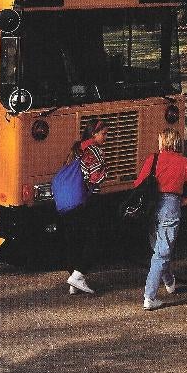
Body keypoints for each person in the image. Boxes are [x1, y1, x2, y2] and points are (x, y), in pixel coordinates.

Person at [135, 128, 187, 311]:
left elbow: (138, 184)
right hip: (171, 205)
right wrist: (186, 200)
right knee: (161, 253)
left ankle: (169, 281)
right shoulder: (185, 163)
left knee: (157, 249)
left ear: (163, 142)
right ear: (176, 143)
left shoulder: (153, 159)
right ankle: (149, 297)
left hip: (151, 206)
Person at [64, 118, 109, 295]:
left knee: (75, 239)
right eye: (104, 134)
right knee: (94, 239)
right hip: (90, 200)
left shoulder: (76, 149)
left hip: (72, 199)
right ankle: (78, 275)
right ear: (94, 134)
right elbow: (95, 178)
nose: (106, 137)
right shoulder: (95, 151)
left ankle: (73, 281)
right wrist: (105, 172)